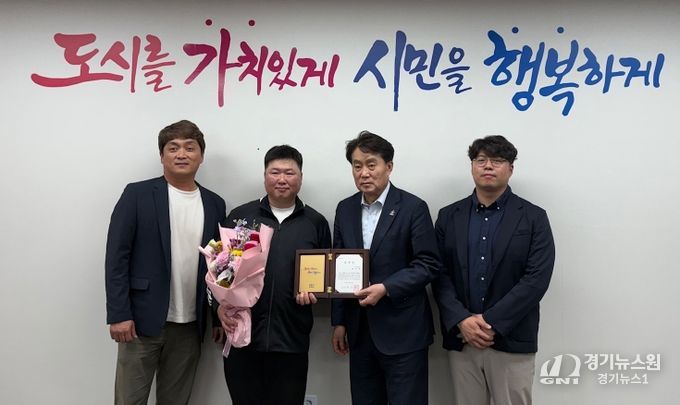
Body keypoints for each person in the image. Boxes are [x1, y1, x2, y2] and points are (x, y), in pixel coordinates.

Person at [105, 119, 226, 405]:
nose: (181, 154)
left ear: (201, 156)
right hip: (140, 321)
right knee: (129, 400)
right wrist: (119, 313)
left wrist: (216, 315)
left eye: (189, 147)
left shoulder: (215, 203)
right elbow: (117, 257)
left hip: (190, 325)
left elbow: (218, 265)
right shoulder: (137, 194)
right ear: (162, 156)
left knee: (176, 400)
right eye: (173, 148)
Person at [432, 135, 555, 405]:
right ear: (472, 166)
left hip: (512, 339)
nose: (488, 166)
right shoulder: (448, 216)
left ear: (511, 168)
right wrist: (462, 319)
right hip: (463, 338)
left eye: (497, 160)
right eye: (481, 160)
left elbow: (536, 279)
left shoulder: (534, 217)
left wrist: (491, 322)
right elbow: (438, 274)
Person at [330, 131, 440, 405]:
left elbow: (428, 264)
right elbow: (338, 265)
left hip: (404, 331)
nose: (364, 173)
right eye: (357, 166)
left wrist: (386, 288)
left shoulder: (413, 207)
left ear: (388, 166)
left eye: (371, 164)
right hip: (359, 331)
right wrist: (339, 322)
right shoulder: (345, 209)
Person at [217, 145, 331, 405]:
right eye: (275, 172)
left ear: (300, 177)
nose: (282, 179)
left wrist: (315, 293)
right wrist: (218, 309)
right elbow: (217, 270)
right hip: (243, 336)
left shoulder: (315, 223)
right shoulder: (240, 217)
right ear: (264, 176)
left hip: (291, 340)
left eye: (289, 173)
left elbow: (325, 277)